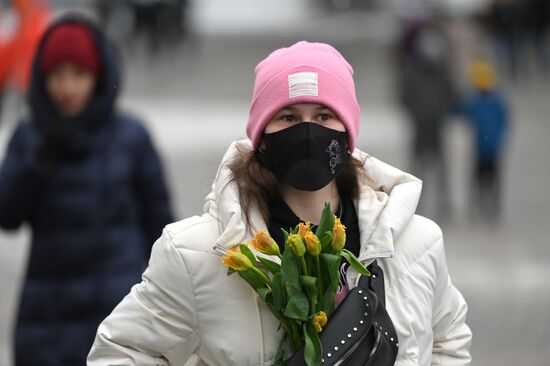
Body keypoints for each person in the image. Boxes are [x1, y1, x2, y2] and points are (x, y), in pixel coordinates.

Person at [88, 41, 472, 365]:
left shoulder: (416, 244)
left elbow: (447, 338)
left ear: (347, 134)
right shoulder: (196, 255)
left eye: (324, 115)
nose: (308, 132)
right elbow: (121, 351)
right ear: (262, 137)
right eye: (288, 117)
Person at [0, 14, 173, 366]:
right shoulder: (31, 135)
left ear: (97, 77)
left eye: (77, 75)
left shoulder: (131, 137)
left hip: (118, 310)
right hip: (46, 313)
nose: (66, 87)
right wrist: (38, 160)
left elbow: (163, 230)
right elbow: (7, 214)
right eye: (56, 76)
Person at [396, 19, 457, 220]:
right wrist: (417, 113)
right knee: (418, 171)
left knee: (439, 169)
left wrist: (441, 112)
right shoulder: (414, 73)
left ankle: (443, 205)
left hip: (436, 128)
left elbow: (452, 96)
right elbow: (403, 97)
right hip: (421, 128)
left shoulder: (442, 73)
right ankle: (417, 205)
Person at [463, 60, 509, 223]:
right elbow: (506, 122)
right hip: (489, 147)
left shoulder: (476, 102)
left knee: (484, 178)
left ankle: (485, 206)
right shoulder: (495, 101)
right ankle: (488, 207)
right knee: (489, 178)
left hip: (485, 148)